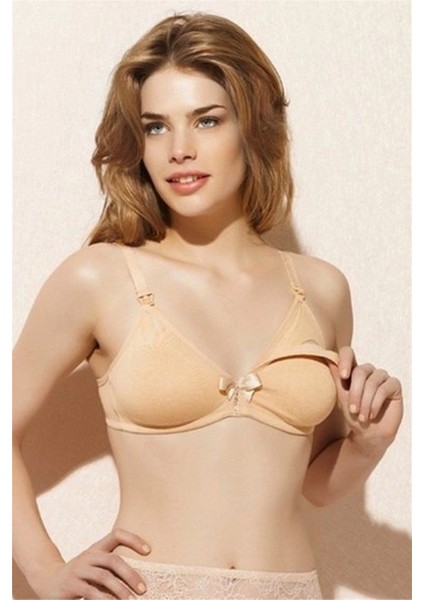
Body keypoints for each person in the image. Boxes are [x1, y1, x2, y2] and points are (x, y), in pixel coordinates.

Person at [12, 12, 404, 600]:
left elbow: (315, 484)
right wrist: (44, 570)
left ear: (253, 128)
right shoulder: (100, 277)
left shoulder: (321, 289)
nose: (180, 150)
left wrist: (368, 444)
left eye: (207, 120)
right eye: (156, 127)